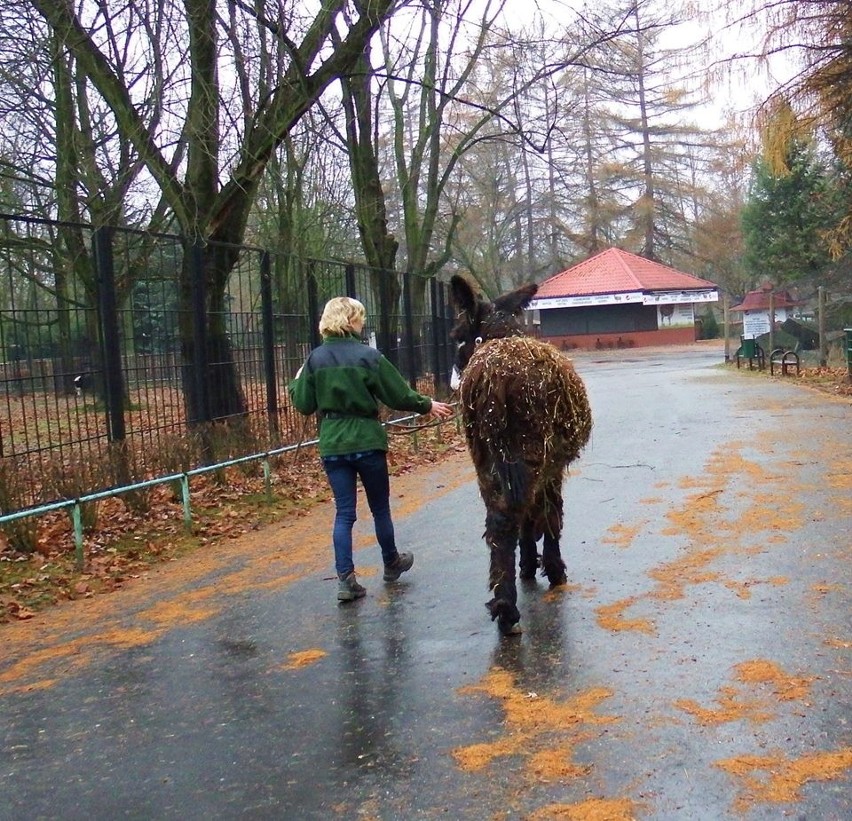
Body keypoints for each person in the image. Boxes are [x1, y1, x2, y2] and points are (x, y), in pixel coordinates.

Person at [288, 296, 454, 603]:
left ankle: (345, 580)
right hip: (367, 440)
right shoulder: (368, 356)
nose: (363, 323)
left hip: (333, 443)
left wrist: (295, 382)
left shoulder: (314, 359)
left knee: (344, 513)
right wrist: (427, 405)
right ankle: (391, 563)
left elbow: (304, 404)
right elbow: (397, 394)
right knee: (380, 507)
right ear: (349, 321)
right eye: (360, 318)